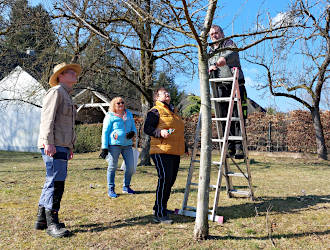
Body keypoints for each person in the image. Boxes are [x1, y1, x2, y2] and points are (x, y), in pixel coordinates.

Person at [35, 62, 81, 238]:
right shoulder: (55, 92)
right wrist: (48, 142)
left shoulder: (67, 95)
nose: (73, 74)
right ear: (60, 76)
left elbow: (68, 126)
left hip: (62, 144)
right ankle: (51, 222)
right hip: (53, 144)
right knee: (56, 182)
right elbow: (47, 119)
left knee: (53, 180)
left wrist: (70, 146)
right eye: (69, 72)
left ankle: (41, 220)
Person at [144, 87, 186, 224]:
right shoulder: (155, 111)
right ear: (157, 97)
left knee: (170, 181)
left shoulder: (174, 112)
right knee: (164, 179)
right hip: (160, 150)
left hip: (174, 151)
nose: (167, 94)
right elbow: (147, 128)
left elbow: (179, 132)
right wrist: (159, 132)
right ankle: (159, 214)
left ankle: (161, 207)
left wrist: (185, 147)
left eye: (168, 92)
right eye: (163, 93)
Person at [208, 25, 248, 159]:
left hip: (235, 84)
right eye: (212, 34)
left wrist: (223, 59)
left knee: (237, 116)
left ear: (222, 33)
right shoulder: (210, 51)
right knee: (224, 117)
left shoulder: (229, 43)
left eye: (216, 33)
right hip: (219, 86)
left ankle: (239, 148)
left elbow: (231, 52)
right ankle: (229, 147)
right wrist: (210, 67)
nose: (214, 35)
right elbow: (207, 64)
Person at [99, 97, 137, 198]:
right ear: (113, 105)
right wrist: (104, 148)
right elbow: (105, 132)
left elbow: (133, 126)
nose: (120, 104)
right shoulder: (110, 116)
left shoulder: (128, 114)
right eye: (118, 103)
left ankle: (126, 186)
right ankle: (111, 189)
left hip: (127, 145)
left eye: (122, 102)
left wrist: (133, 133)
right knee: (112, 167)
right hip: (114, 145)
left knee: (130, 167)